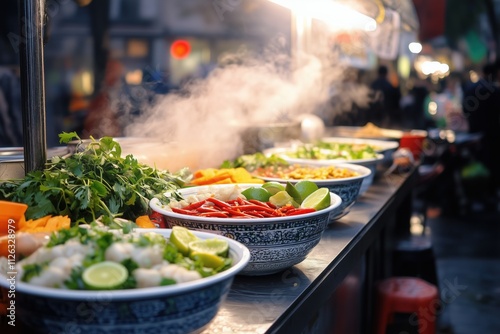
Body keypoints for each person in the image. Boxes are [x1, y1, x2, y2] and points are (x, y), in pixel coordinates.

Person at [462, 62, 500, 199]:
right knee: (492, 165)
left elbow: (465, 109)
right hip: (492, 136)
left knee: (476, 162)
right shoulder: (494, 91)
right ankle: (489, 193)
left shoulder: (470, 88)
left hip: (473, 134)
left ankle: (475, 194)